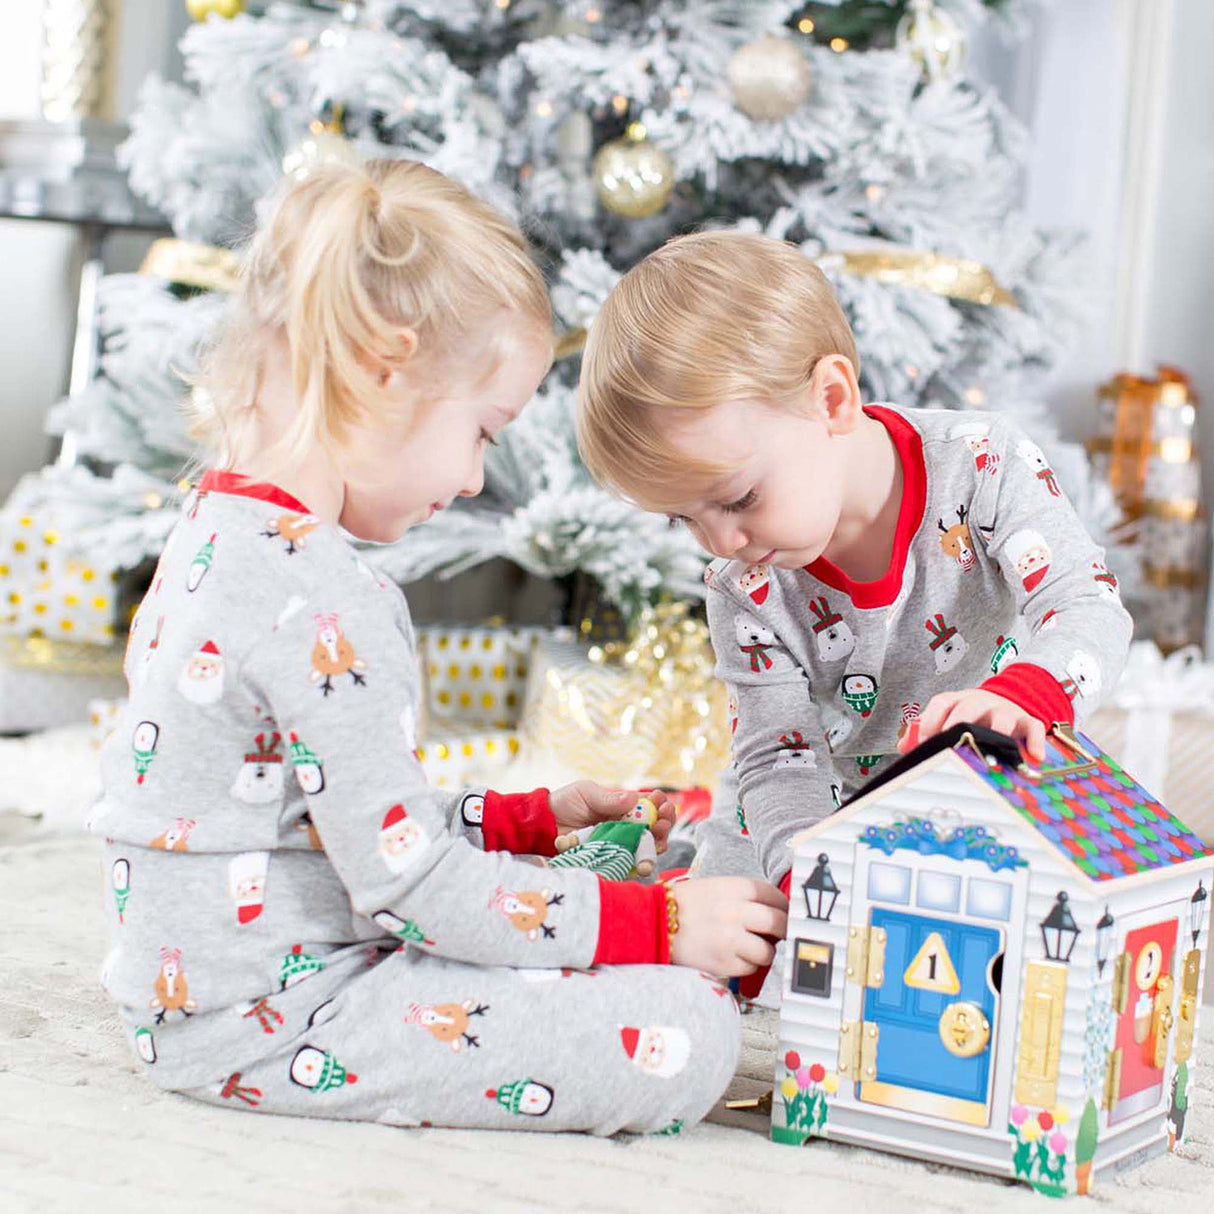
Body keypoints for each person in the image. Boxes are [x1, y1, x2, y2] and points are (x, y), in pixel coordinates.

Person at [93, 162, 788, 1133]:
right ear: (386, 367)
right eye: (481, 429)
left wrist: (520, 817)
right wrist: (660, 927)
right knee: (685, 1030)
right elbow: (412, 886)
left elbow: (325, 819)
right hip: (270, 1020)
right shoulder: (320, 593)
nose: (470, 478)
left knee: (600, 884)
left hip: (225, 985)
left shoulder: (221, 533)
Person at [576, 230, 1131, 991]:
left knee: (1045, 959)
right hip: (801, 812)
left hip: (980, 789)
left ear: (831, 399)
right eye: (686, 519)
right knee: (720, 951)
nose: (721, 541)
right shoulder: (742, 583)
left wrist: (1020, 697)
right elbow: (776, 756)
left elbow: (1087, 605)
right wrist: (812, 866)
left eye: (739, 499)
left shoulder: (983, 464)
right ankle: (633, 878)